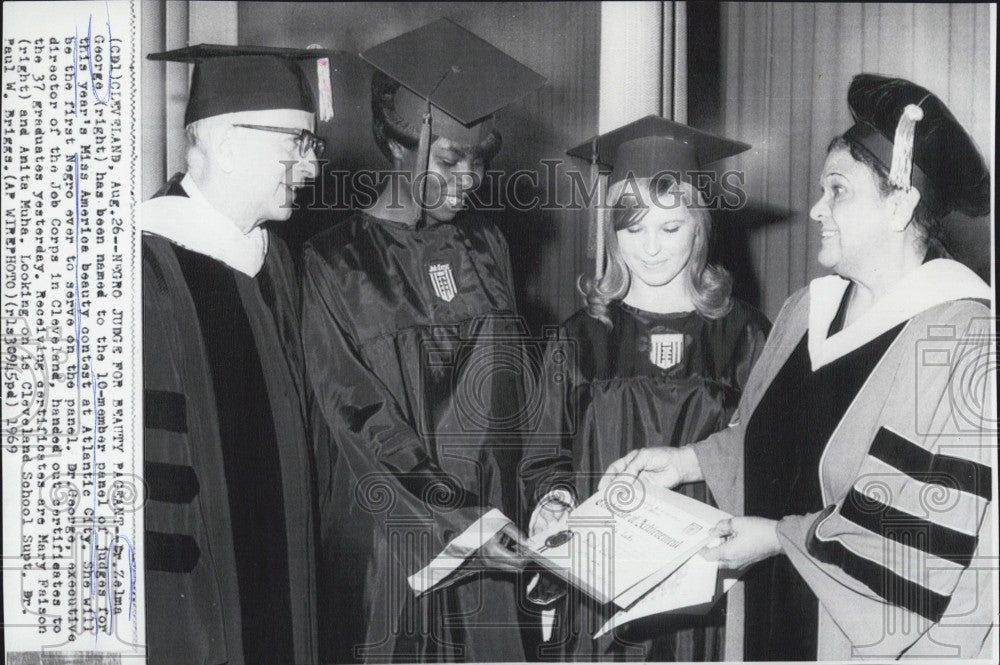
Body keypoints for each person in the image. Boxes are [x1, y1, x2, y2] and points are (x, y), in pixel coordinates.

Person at [600, 74, 995, 660]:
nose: (816, 209)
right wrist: (688, 461)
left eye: (836, 190)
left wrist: (780, 540)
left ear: (901, 203)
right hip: (768, 616)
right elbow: (768, 444)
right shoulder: (807, 310)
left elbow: (914, 544)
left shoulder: (960, 339)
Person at [300, 19, 546, 663]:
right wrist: (459, 520)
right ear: (398, 145)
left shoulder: (487, 244)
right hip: (398, 543)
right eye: (450, 160)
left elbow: (512, 397)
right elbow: (357, 418)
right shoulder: (333, 262)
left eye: (480, 161)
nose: (469, 179)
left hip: (497, 528)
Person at [521, 116, 771, 661]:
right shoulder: (578, 336)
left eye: (670, 228)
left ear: (699, 227)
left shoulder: (745, 334)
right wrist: (553, 500)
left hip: (704, 591)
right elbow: (543, 457)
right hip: (600, 586)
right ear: (610, 233)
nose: (651, 248)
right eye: (633, 230)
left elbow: (771, 456)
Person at [140, 44, 337, 665]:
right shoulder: (145, 269)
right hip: (199, 614)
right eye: (297, 144)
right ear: (228, 146)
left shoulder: (274, 259)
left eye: (312, 146)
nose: (309, 167)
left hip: (287, 585)